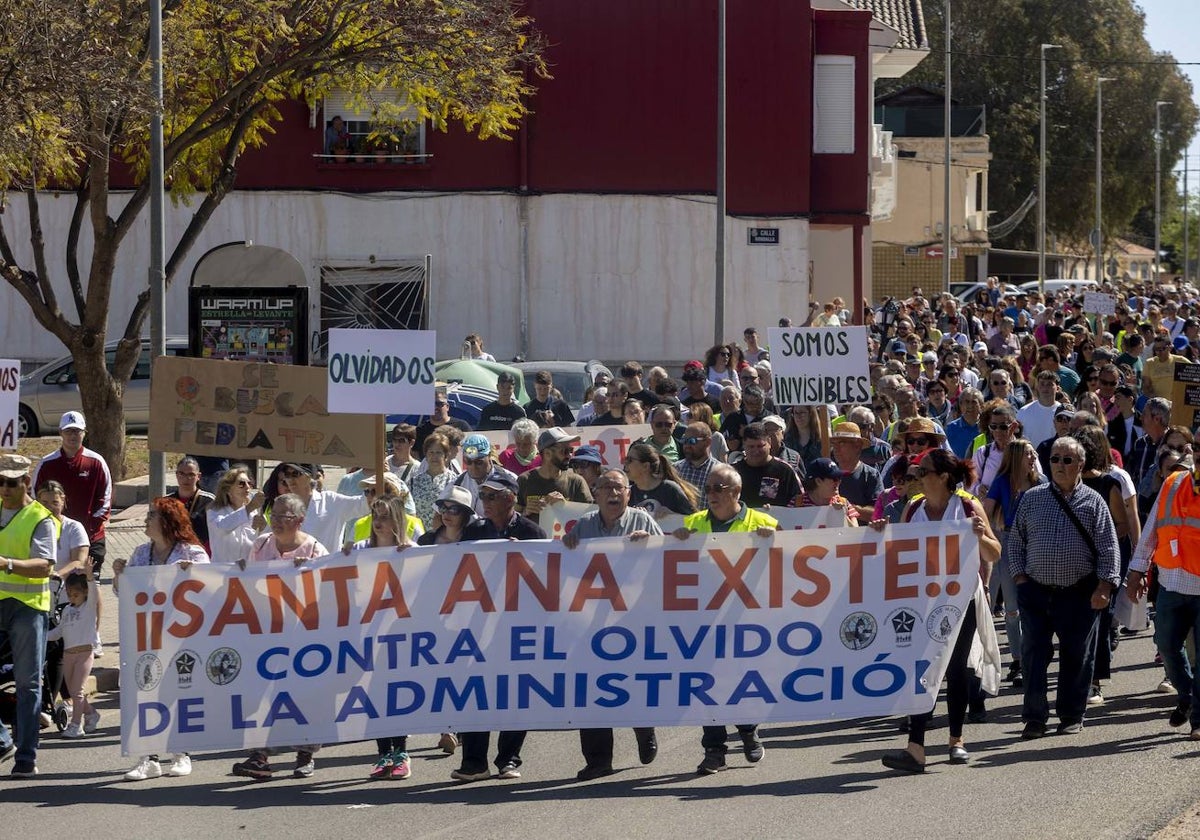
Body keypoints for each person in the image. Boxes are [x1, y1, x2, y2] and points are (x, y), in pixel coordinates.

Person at [878, 450, 1001, 772]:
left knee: (957, 668)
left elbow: (993, 553)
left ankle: (956, 740)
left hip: (961, 600)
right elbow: (897, 550)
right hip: (923, 601)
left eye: (924, 472)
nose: (917, 478)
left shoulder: (966, 507)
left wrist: (977, 534)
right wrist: (878, 535)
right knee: (921, 668)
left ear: (944, 477)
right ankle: (915, 746)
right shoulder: (914, 507)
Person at [1007, 436, 1120, 738]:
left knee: (1077, 656)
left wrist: (1104, 587)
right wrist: (1020, 579)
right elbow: (1015, 542)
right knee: (1033, 655)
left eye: (1067, 460)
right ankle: (1034, 717)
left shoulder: (1094, 502)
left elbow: (1110, 548)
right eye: (1055, 459)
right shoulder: (1032, 498)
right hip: (1036, 591)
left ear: (1080, 465)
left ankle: (1071, 714)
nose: (1059, 465)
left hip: (1079, 592)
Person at [670, 464, 777, 774]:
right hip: (702, 619)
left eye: (720, 489)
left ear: (737, 493)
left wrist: (774, 541)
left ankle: (748, 730)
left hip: (744, 617)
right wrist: (677, 540)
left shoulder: (762, 522)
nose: (712, 494)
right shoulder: (693, 523)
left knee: (739, 681)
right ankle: (714, 750)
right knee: (704, 684)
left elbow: (789, 564)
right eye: (709, 489)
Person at [562, 469, 663, 780]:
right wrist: (565, 546)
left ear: (628, 493)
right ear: (596, 493)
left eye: (619, 487)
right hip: (591, 621)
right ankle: (597, 760)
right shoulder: (584, 525)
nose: (613, 493)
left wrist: (651, 543)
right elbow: (566, 568)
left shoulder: (642, 521)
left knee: (631, 681)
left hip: (632, 618)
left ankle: (644, 728)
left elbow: (670, 558)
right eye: (606, 487)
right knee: (590, 687)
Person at [453, 471, 547, 782]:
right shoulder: (474, 531)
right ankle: (474, 762)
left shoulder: (531, 531)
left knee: (514, 691)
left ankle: (509, 759)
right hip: (478, 624)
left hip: (517, 625)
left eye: (492, 496)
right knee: (475, 690)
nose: (485, 502)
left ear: (510, 498)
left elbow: (548, 576)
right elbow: (450, 566)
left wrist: (524, 556)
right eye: (483, 495)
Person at [114, 497, 210, 781]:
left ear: (168, 521)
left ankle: (181, 752)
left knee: (179, 693)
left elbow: (213, 587)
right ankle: (149, 757)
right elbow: (124, 594)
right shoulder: (141, 553)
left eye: (152, 515)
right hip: (148, 638)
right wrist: (120, 575)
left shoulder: (191, 553)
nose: (145, 520)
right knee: (145, 695)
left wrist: (191, 576)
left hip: (183, 640)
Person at [231, 493, 326, 780]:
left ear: (299, 520)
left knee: (304, 695)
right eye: (273, 516)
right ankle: (259, 756)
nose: (276, 522)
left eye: (283, 517)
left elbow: (325, 593)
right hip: (267, 633)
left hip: (303, 635)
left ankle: (305, 754)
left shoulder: (315, 551)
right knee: (260, 693)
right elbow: (249, 584)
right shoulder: (260, 545)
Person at [1126, 443, 1200, 738]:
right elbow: (1152, 528)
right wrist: (1136, 569)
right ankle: (1187, 694)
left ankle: (1198, 720)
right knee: (1166, 645)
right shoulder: (1173, 482)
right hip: (1171, 582)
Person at [0, 453, 56, 778]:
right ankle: (4, 740)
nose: (4, 489)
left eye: (10, 483)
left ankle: (26, 755)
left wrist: (6, 563)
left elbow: (44, 567)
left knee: (27, 684)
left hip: (27, 608)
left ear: (25, 483)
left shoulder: (40, 518)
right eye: (0, 482)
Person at [983, 439, 1043, 685]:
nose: (1033, 457)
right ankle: (1018, 659)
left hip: (1038, 542)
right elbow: (985, 513)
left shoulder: (1041, 483)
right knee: (1011, 608)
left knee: (1036, 605)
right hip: (1009, 541)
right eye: (1029, 453)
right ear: (1016, 456)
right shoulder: (1001, 483)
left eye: (1033, 453)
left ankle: (1033, 657)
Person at [32, 411, 111, 580]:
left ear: (84, 433)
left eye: (77, 431)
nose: (72, 435)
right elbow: (34, 500)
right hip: (52, 537)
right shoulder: (46, 464)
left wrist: (86, 529)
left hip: (91, 538)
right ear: (60, 433)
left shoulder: (96, 462)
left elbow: (105, 500)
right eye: (68, 431)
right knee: (56, 587)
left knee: (89, 589)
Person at [46, 572, 99, 739]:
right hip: (68, 655)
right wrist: (42, 636)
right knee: (74, 691)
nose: (72, 598)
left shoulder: (89, 608)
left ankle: (76, 725)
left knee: (77, 691)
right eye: (69, 594)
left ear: (85, 593)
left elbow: (94, 593)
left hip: (84, 653)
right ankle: (91, 713)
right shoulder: (67, 610)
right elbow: (60, 631)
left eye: (76, 594)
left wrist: (90, 577)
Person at [273, 462, 365, 557]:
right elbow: (269, 541)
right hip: (291, 570)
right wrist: (259, 527)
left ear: (309, 476)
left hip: (324, 569)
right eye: (287, 475)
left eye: (295, 474)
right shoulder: (282, 505)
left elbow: (363, 505)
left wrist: (376, 476)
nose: (290, 479)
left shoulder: (331, 501)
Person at [517, 427, 593, 518]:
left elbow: (591, 517)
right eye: (565, 451)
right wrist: (525, 512)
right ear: (547, 454)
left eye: (571, 450)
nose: (569, 456)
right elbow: (510, 519)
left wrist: (566, 506)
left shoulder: (576, 482)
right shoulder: (524, 480)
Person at [206, 466, 264, 564]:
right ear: (228, 489)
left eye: (249, 483)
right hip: (221, 571)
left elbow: (263, 544)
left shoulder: (255, 512)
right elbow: (222, 527)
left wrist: (263, 528)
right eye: (241, 484)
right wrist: (249, 508)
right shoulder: (214, 511)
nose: (247, 487)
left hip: (247, 571)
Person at [624, 442, 698, 518]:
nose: (625, 463)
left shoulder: (670, 489)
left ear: (646, 466)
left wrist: (673, 515)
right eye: (626, 459)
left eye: (630, 460)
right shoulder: (627, 493)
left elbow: (694, 520)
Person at [734, 423, 800, 508]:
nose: (756, 451)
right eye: (751, 446)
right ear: (744, 445)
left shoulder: (784, 470)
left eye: (760, 446)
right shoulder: (734, 472)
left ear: (769, 442)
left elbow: (798, 501)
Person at [828, 422, 882, 521]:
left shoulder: (871, 475)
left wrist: (846, 507)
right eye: (834, 443)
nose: (835, 448)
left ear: (857, 446)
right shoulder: (827, 475)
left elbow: (878, 513)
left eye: (841, 443)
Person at [166, 456, 215, 550]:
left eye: (191, 475)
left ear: (198, 477)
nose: (186, 478)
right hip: (173, 554)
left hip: (202, 553)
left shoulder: (209, 501)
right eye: (181, 474)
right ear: (176, 475)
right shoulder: (167, 501)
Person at [411, 434, 457, 530]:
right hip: (419, 537)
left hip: (444, 538)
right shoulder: (413, 481)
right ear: (426, 455)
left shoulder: (454, 481)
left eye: (438, 452)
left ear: (446, 455)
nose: (434, 456)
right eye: (431, 452)